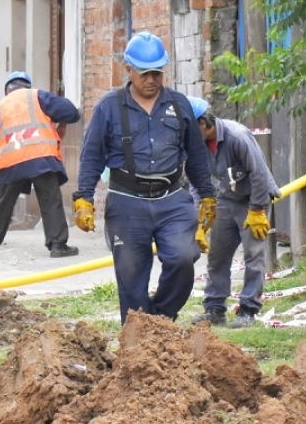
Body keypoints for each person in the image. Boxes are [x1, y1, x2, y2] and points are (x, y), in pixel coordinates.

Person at [74, 32, 217, 323]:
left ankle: (161, 321)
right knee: (131, 276)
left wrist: (207, 195)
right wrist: (84, 198)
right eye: (144, 73)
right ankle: (138, 335)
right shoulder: (109, 107)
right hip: (127, 202)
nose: (152, 79)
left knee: (182, 258)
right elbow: (92, 156)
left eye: (157, 73)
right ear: (128, 69)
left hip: (171, 200)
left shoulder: (179, 105)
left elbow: (196, 155)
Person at [186, 96, 281, 327]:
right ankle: (215, 309)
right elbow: (197, 181)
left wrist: (257, 209)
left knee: (253, 255)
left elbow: (258, 173)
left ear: (203, 124)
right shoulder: (196, 145)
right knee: (217, 255)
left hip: (253, 199)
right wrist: (200, 218)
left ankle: (248, 309)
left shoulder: (237, 136)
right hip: (226, 198)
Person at [0, 71, 81, 257]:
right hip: (41, 157)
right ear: (27, 86)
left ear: (7, 90)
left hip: (10, 162)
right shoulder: (38, 96)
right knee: (50, 200)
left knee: (3, 206)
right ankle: (58, 246)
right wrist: (63, 124)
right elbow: (71, 112)